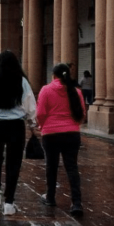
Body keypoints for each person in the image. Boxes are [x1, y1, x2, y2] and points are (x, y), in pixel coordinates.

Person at [0, 50, 37, 215]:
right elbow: (30, 106)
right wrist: (32, 124)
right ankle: (9, 203)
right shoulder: (22, 81)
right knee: (14, 163)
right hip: (16, 126)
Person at [36, 63, 86, 216]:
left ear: (54, 75)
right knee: (72, 168)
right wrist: (72, 126)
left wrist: (43, 127)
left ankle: (50, 197)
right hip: (72, 134)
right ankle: (76, 203)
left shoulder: (46, 90)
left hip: (51, 134)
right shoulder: (76, 91)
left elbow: (40, 113)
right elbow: (82, 113)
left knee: (51, 166)